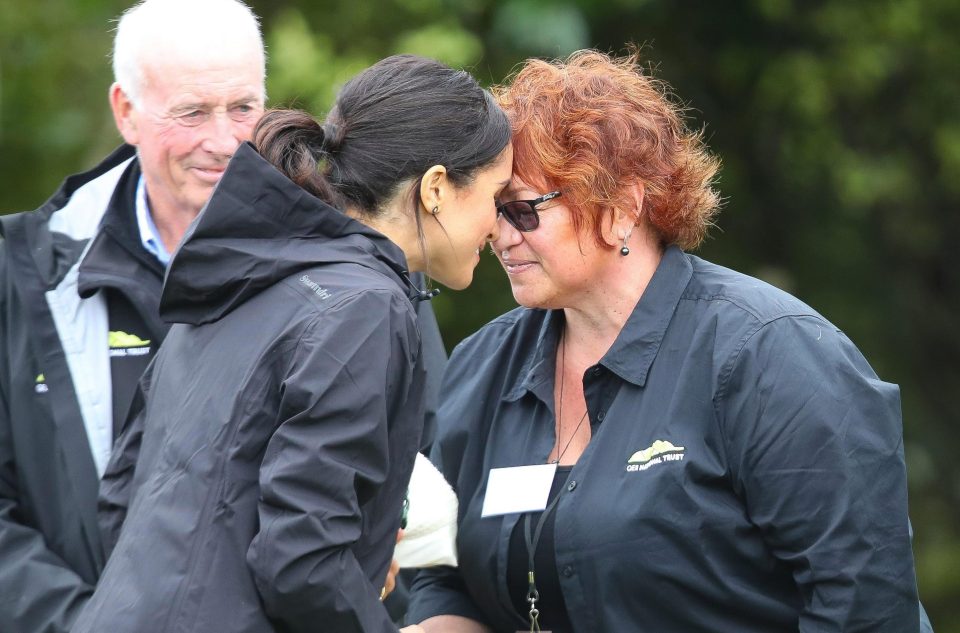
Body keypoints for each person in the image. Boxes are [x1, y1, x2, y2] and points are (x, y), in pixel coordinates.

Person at [409, 50, 929, 632]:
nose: (499, 235)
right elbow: (441, 576)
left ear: (622, 207)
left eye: (523, 211)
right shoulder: (483, 365)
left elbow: (863, 604)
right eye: (493, 209)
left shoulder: (770, 355)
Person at [0, 1, 444, 631]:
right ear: (125, 111)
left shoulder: (356, 269)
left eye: (242, 108)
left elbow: (415, 453)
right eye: (191, 112)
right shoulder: (24, 274)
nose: (224, 140)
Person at [71, 53, 512, 633]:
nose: (499, 225)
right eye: (496, 196)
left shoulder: (243, 274)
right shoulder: (365, 305)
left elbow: (123, 498)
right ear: (435, 189)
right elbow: (301, 562)